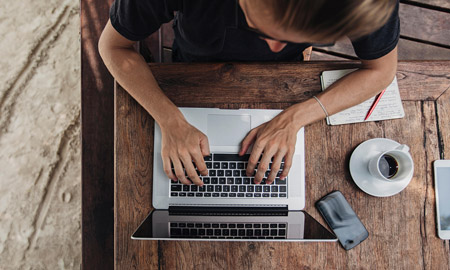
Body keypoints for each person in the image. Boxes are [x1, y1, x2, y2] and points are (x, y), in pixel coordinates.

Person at [99, 0, 399, 187]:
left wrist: (294, 119)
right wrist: (170, 121)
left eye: (303, 38)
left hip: (284, 83)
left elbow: (382, 70)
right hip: (188, 67)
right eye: (261, 30)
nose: (274, 49)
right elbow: (113, 47)